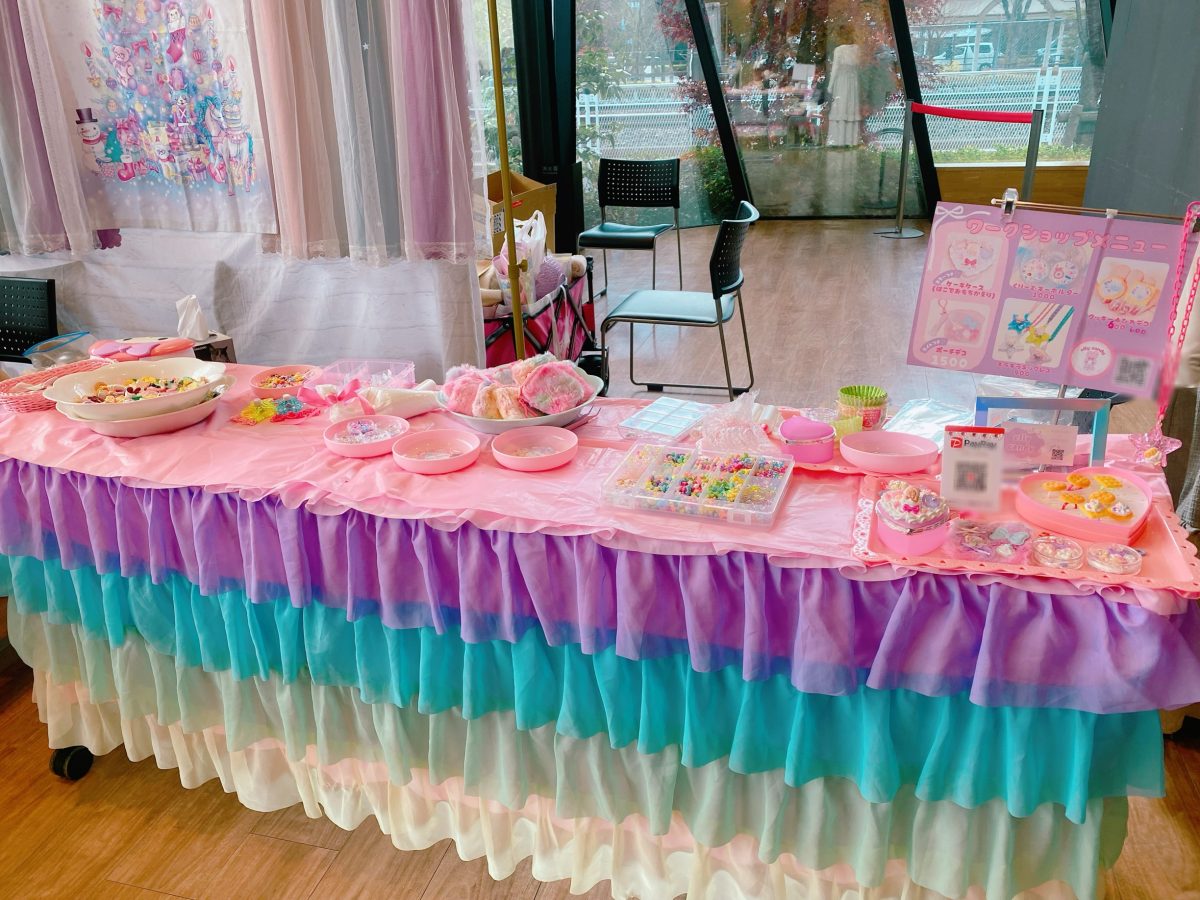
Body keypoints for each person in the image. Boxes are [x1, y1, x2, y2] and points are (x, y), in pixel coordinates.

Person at [826, 27, 861, 147]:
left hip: (841, 81)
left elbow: (835, 68)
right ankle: (851, 141)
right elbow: (858, 66)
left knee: (841, 108)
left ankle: (838, 141)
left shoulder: (839, 50)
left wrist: (830, 85)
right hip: (853, 82)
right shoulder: (857, 49)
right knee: (850, 108)